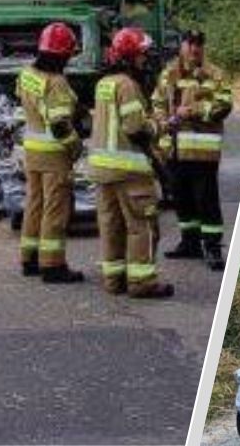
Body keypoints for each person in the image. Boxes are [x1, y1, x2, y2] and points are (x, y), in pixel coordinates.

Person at [87, 27, 173, 299]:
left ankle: (114, 280)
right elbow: (135, 128)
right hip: (130, 170)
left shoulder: (104, 83)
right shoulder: (128, 85)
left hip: (103, 171)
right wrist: (159, 125)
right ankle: (142, 282)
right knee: (142, 225)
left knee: (111, 226)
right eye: (142, 55)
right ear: (131, 56)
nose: (145, 60)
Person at [153, 30, 232, 271]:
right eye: (190, 44)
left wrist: (194, 111)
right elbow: (157, 102)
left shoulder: (214, 74)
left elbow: (224, 105)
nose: (194, 49)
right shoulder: (169, 73)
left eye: (199, 44)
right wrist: (163, 122)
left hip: (202, 151)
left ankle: (212, 247)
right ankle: (189, 242)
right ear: (182, 46)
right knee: (181, 197)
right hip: (174, 149)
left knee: (206, 200)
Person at [15, 22, 84, 283]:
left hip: (31, 152)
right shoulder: (57, 83)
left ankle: (29, 258)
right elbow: (59, 125)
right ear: (62, 54)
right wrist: (76, 145)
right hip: (55, 156)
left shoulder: (27, 74)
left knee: (34, 205)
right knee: (55, 209)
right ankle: (53, 265)